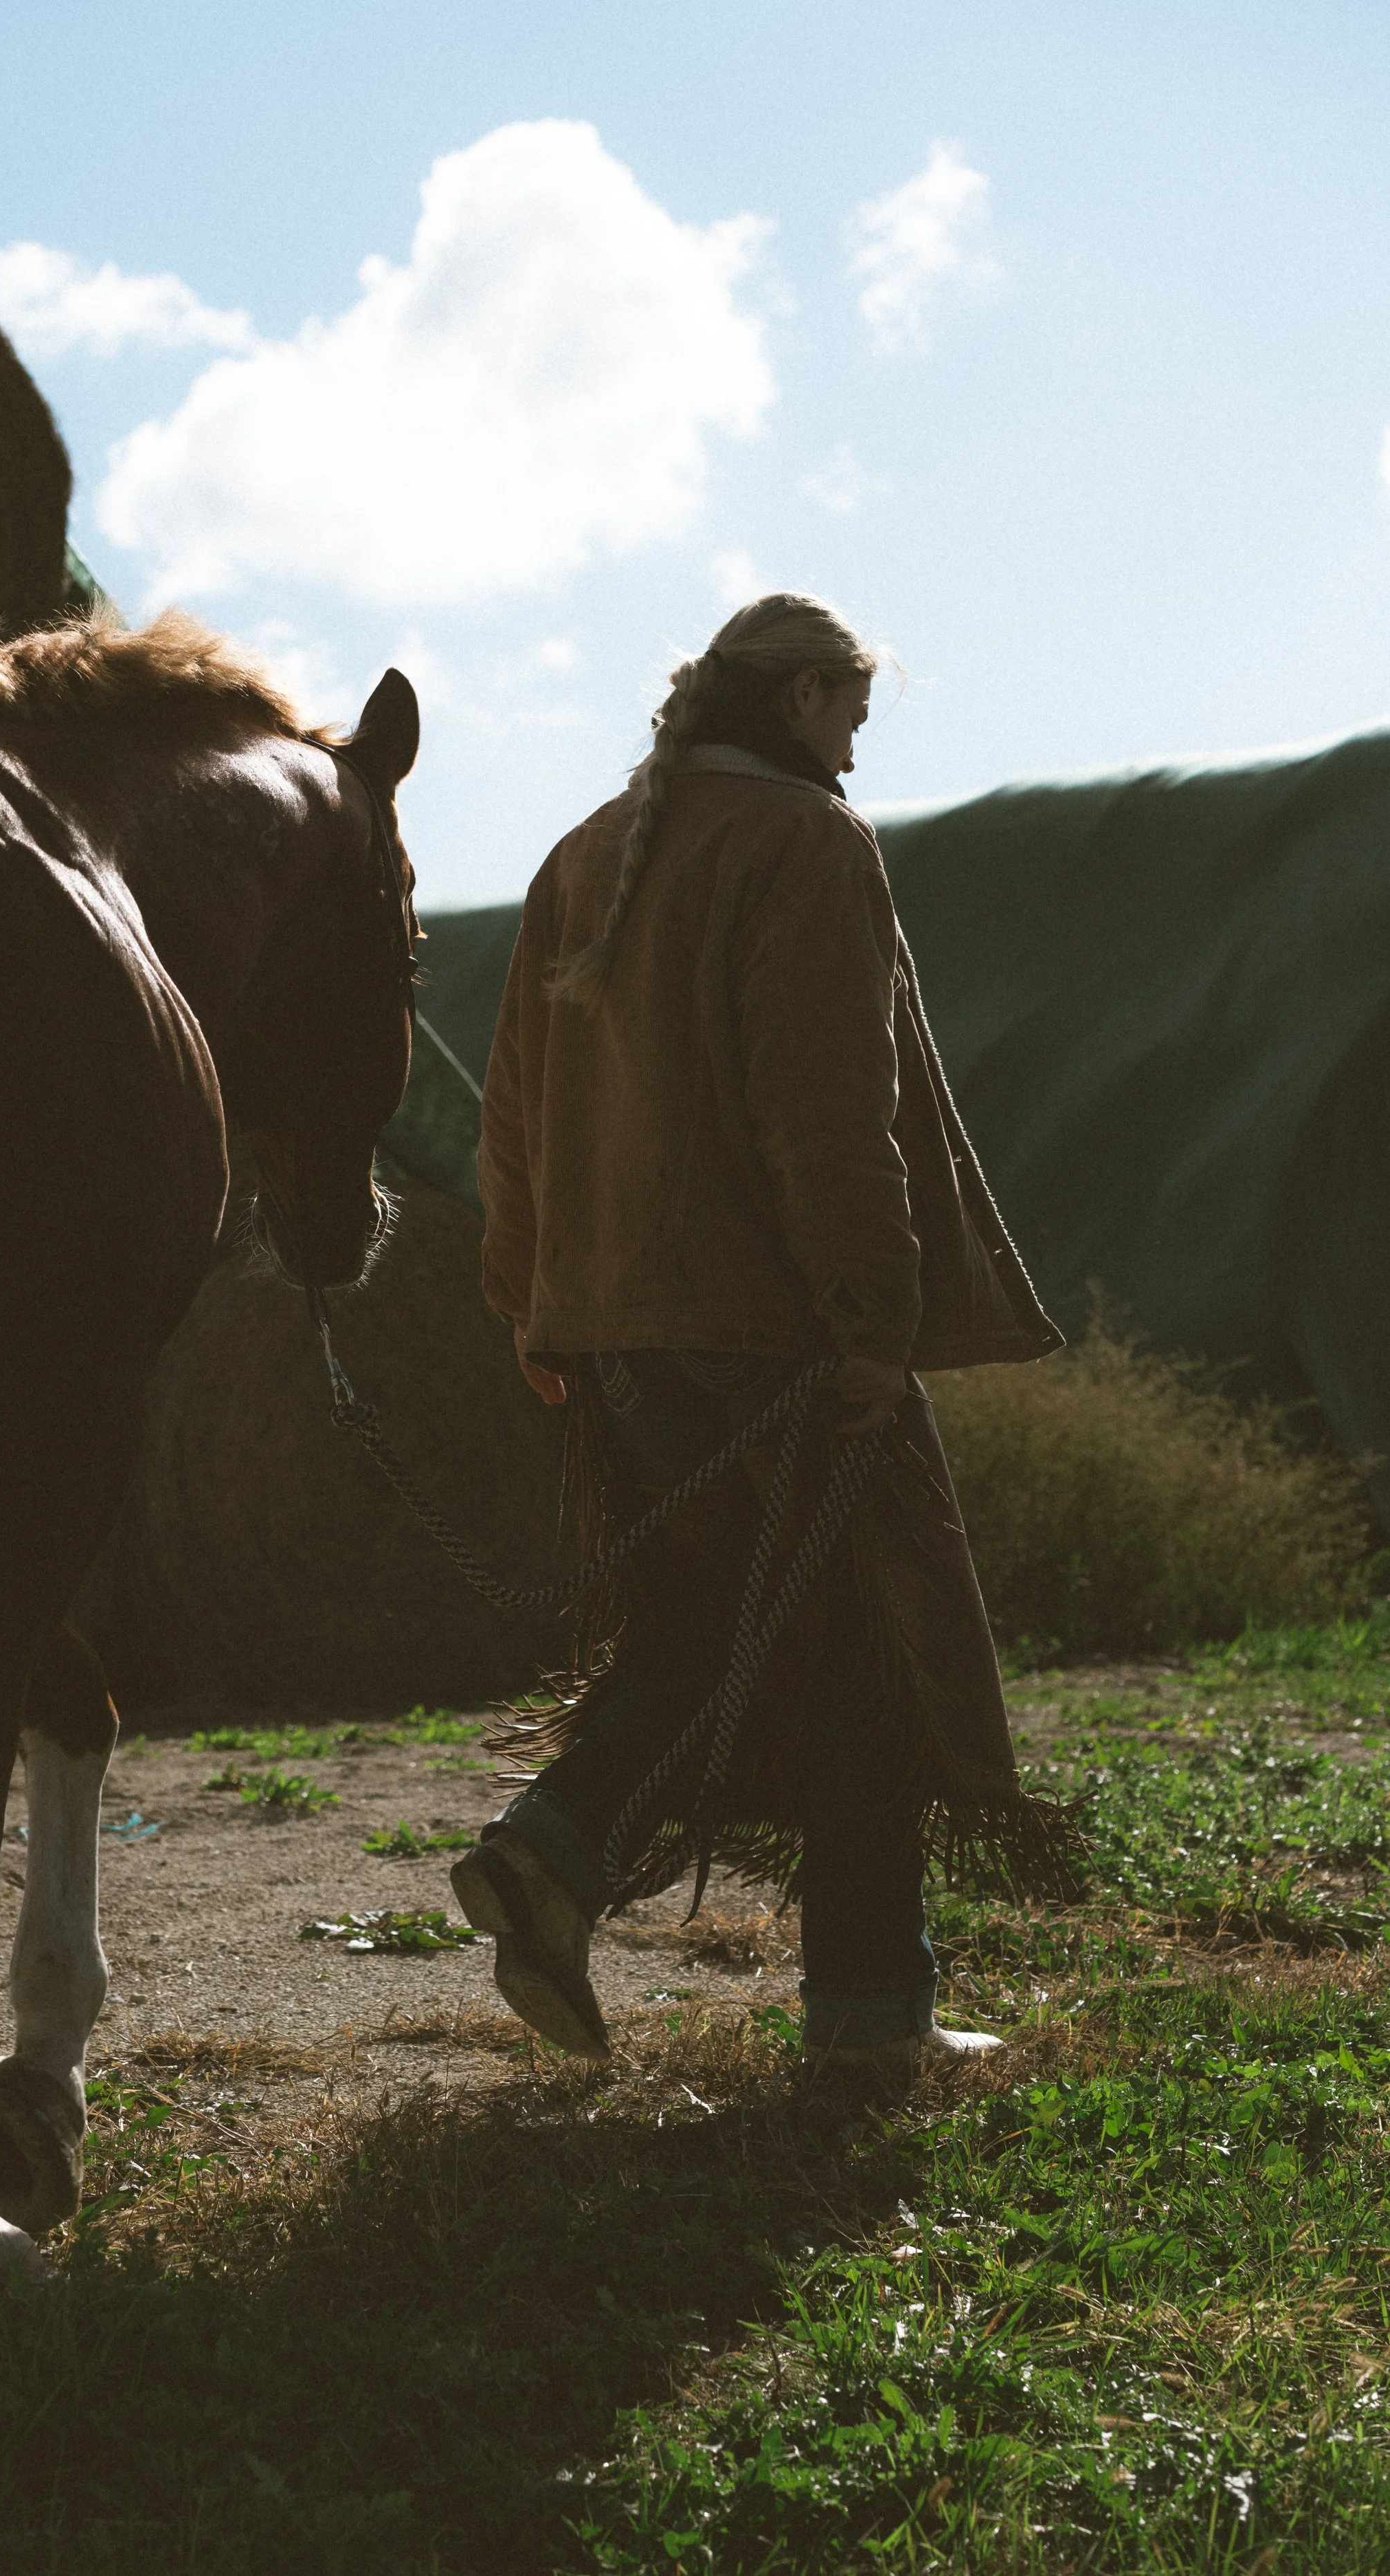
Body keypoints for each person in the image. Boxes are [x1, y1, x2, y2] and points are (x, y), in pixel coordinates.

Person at [449, 591, 1080, 2077]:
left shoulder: (581, 852)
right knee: (859, 1663)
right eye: (849, 721)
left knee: (711, 1631)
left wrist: (532, 1299)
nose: (853, 758)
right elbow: (828, 1113)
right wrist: (869, 1324)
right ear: (798, 699)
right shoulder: (804, 842)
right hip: (765, 1333)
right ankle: (867, 2026)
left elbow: (512, 1116)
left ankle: (559, 1847)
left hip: (612, 1332)